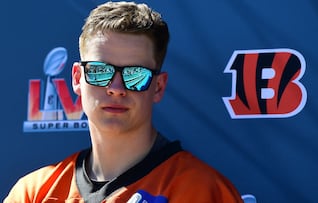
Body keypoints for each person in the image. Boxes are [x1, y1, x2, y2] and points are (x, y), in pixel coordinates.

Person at [4, 1, 244, 202]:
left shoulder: (201, 191)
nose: (116, 89)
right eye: (99, 71)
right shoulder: (33, 192)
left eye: (135, 75)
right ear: (78, 78)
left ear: (158, 86)